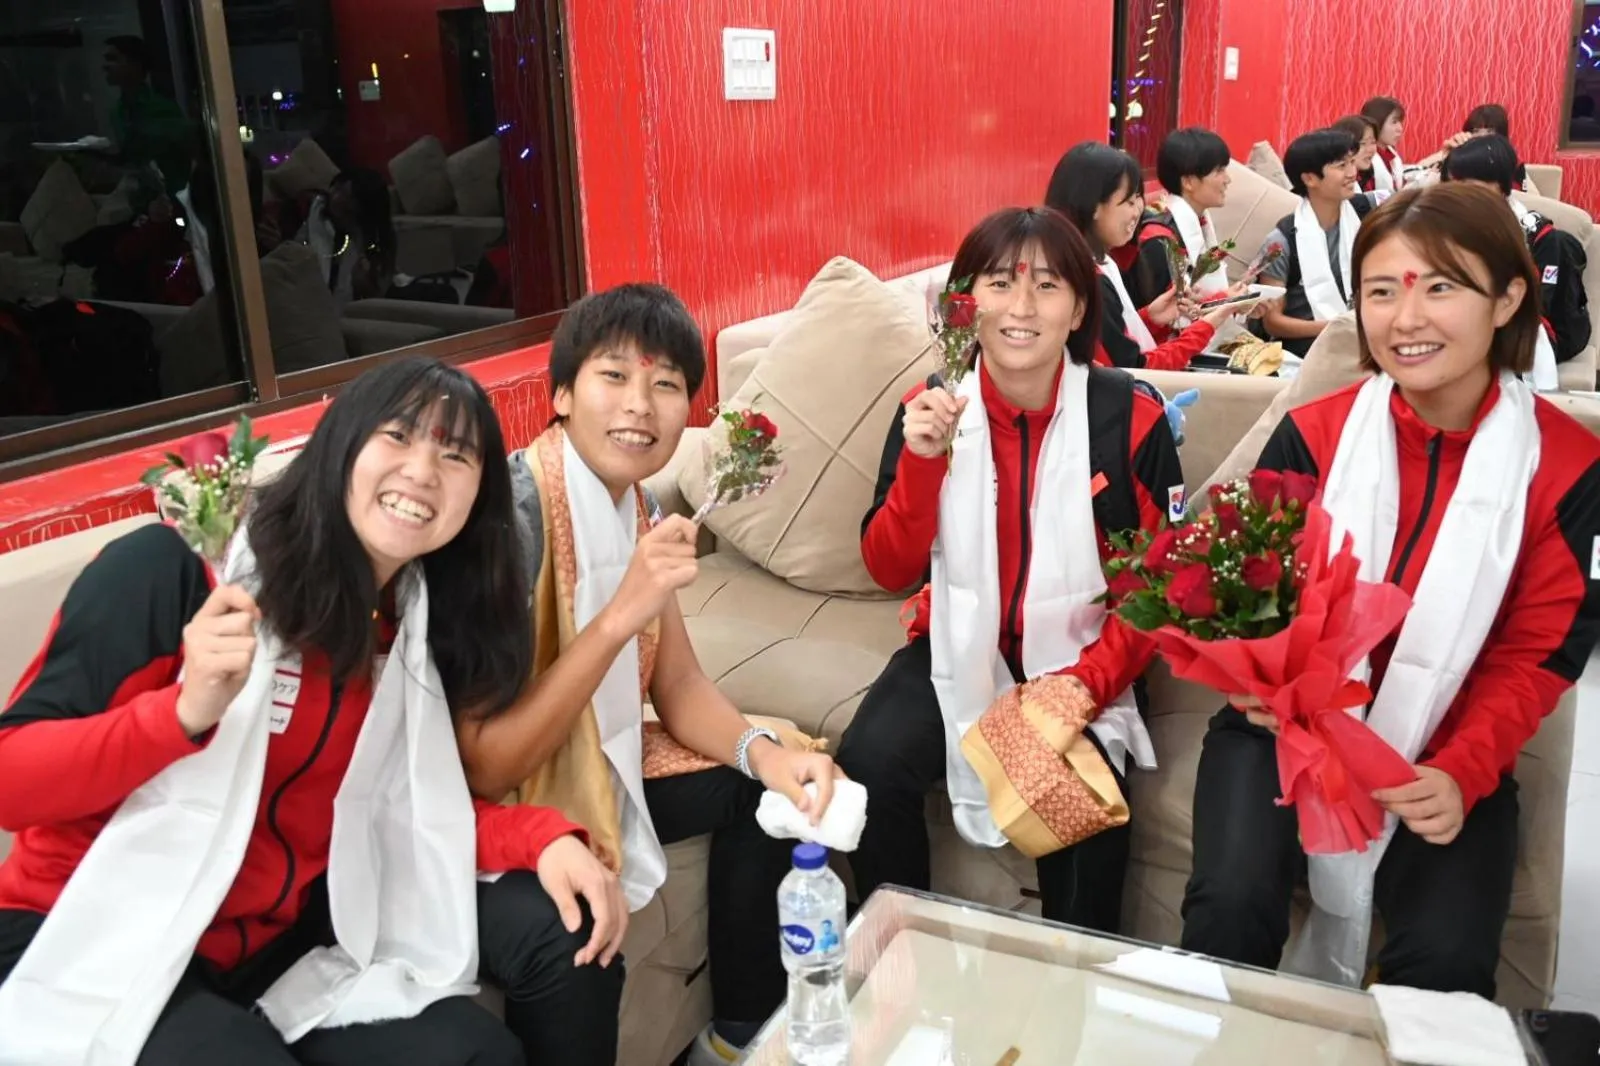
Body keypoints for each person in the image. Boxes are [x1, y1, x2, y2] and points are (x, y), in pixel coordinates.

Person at [0, 358, 627, 1064]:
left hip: (276, 939)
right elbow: (12, 781)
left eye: (455, 455)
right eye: (396, 436)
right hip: (93, 928)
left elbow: (406, 804)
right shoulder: (174, 575)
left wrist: (542, 837)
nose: (423, 471)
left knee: (521, 998)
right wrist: (180, 715)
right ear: (338, 448)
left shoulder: (407, 622)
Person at [1180, 183, 1600, 998]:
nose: (1406, 320)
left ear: (1508, 296)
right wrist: (1255, 679)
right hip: (1284, 731)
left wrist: (1464, 770)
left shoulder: (1568, 466)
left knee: (1444, 963)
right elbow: (1242, 585)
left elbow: (1539, 651)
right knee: (1227, 913)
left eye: (1440, 286)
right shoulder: (1319, 431)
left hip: (1445, 746)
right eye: (1381, 290)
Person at [453, 284, 842, 1066]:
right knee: (575, 941)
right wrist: (621, 614)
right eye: (614, 377)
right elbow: (485, 765)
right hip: (489, 805)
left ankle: (737, 1040)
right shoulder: (507, 524)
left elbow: (681, 688)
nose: (640, 405)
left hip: (586, 761)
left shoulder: (635, 507)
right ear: (561, 394)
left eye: (666, 385)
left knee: (763, 796)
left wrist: (768, 755)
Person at [836, 206, 1184, 936]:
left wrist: (1081, 689)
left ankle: (1067, 999)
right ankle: (900, 962)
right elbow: (888, 569)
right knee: (869, 765)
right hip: (958, 644)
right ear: (967, 302)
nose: (1021, 307)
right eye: (999, 282)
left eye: (1048, 285)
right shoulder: (932, 408)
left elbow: (1156, 592)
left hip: (1083, 660)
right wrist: (922, 468)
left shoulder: (1131, 418)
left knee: (1083, 819)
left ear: (1080, 307)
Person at [1045, 142, 1240, 370]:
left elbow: (1115, 345)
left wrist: (1150, 317)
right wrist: (1206, 326)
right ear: (1093, 207)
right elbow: (1134, 371)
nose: (1138, 210)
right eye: (1129, 201)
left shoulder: (1081, 261)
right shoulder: (1090, 279)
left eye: (1139, 198)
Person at [1443, 133, 1588, 381]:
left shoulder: (1535, 234)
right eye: (1456, 183)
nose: (1460, 192)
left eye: (1470, 183)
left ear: (1500, 185)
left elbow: (1538, 308)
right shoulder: (1449, 224)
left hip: (1527, 330)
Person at [1256, 128, 1385, 357]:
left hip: (1369, 341)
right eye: (1341, 166)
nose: (1352, 173)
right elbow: (1273, 322)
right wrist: (1339, 328)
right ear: (1309, 178)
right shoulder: (1281, 242)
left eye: (1351, 163)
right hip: (1308, 352)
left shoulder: (1367, 217)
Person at [1122, 126, 1235, 309]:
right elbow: (1153, 319)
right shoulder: (1159, 242)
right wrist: (1226, 300)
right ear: (1189, 182)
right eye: (1219, 171)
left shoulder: (1201, 223)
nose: (1227, 179)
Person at [101, 35, 193, 201]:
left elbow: (182, 159)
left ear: (135, 64)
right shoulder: (117, 111)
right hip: (141, 202)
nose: (105, 66)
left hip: (175, 201)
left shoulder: (163, 109)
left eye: (113, 59)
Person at [295, 168, 397, 308]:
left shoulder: (374, 241)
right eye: (337, 189)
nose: (336, 198)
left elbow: (380, 295)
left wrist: (364, 286)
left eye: (347, 210)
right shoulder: (308, 212)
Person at [1360, 96, 1409, 191]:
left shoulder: (1390, 154)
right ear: (1377, 122)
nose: (1400, 129)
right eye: (1394, 122)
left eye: (1400, 122)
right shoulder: (1365, 160)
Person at [1334, 115, 1381, 192]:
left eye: (1373, 142)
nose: (1370, 150)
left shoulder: (1368, 174)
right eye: (1363, 143)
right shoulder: (1337, 182)